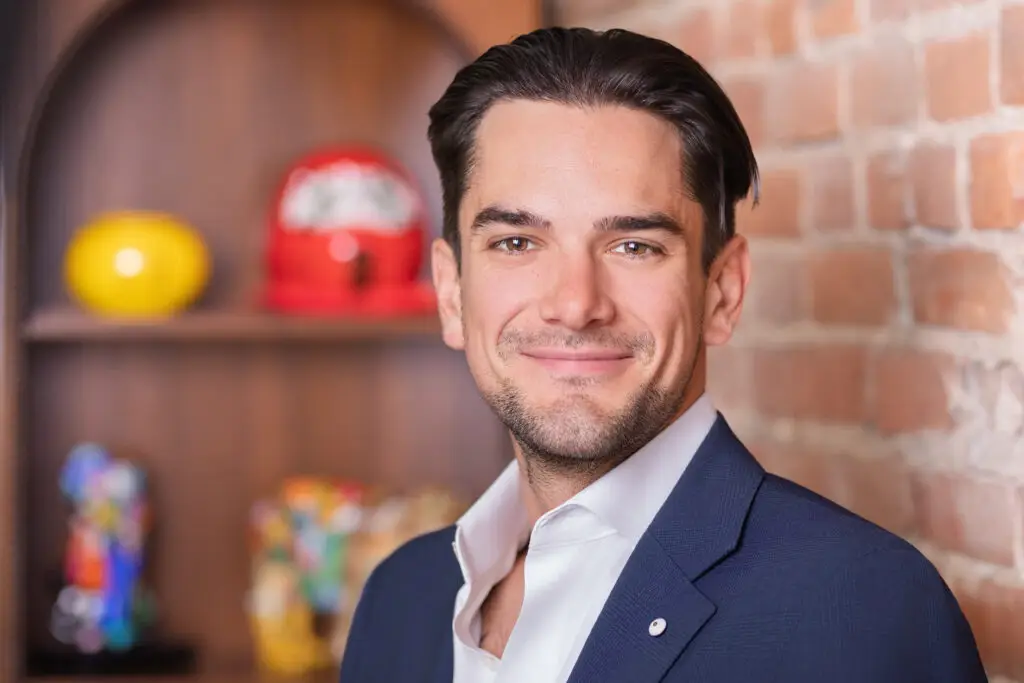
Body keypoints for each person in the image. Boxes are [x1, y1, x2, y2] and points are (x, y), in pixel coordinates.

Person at [338, 26, 988, 683]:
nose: (575, 302)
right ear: (451, 292)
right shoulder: (403, 598)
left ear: (721, 292)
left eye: (634, 246)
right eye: (516, 242)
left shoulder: (862, 609)